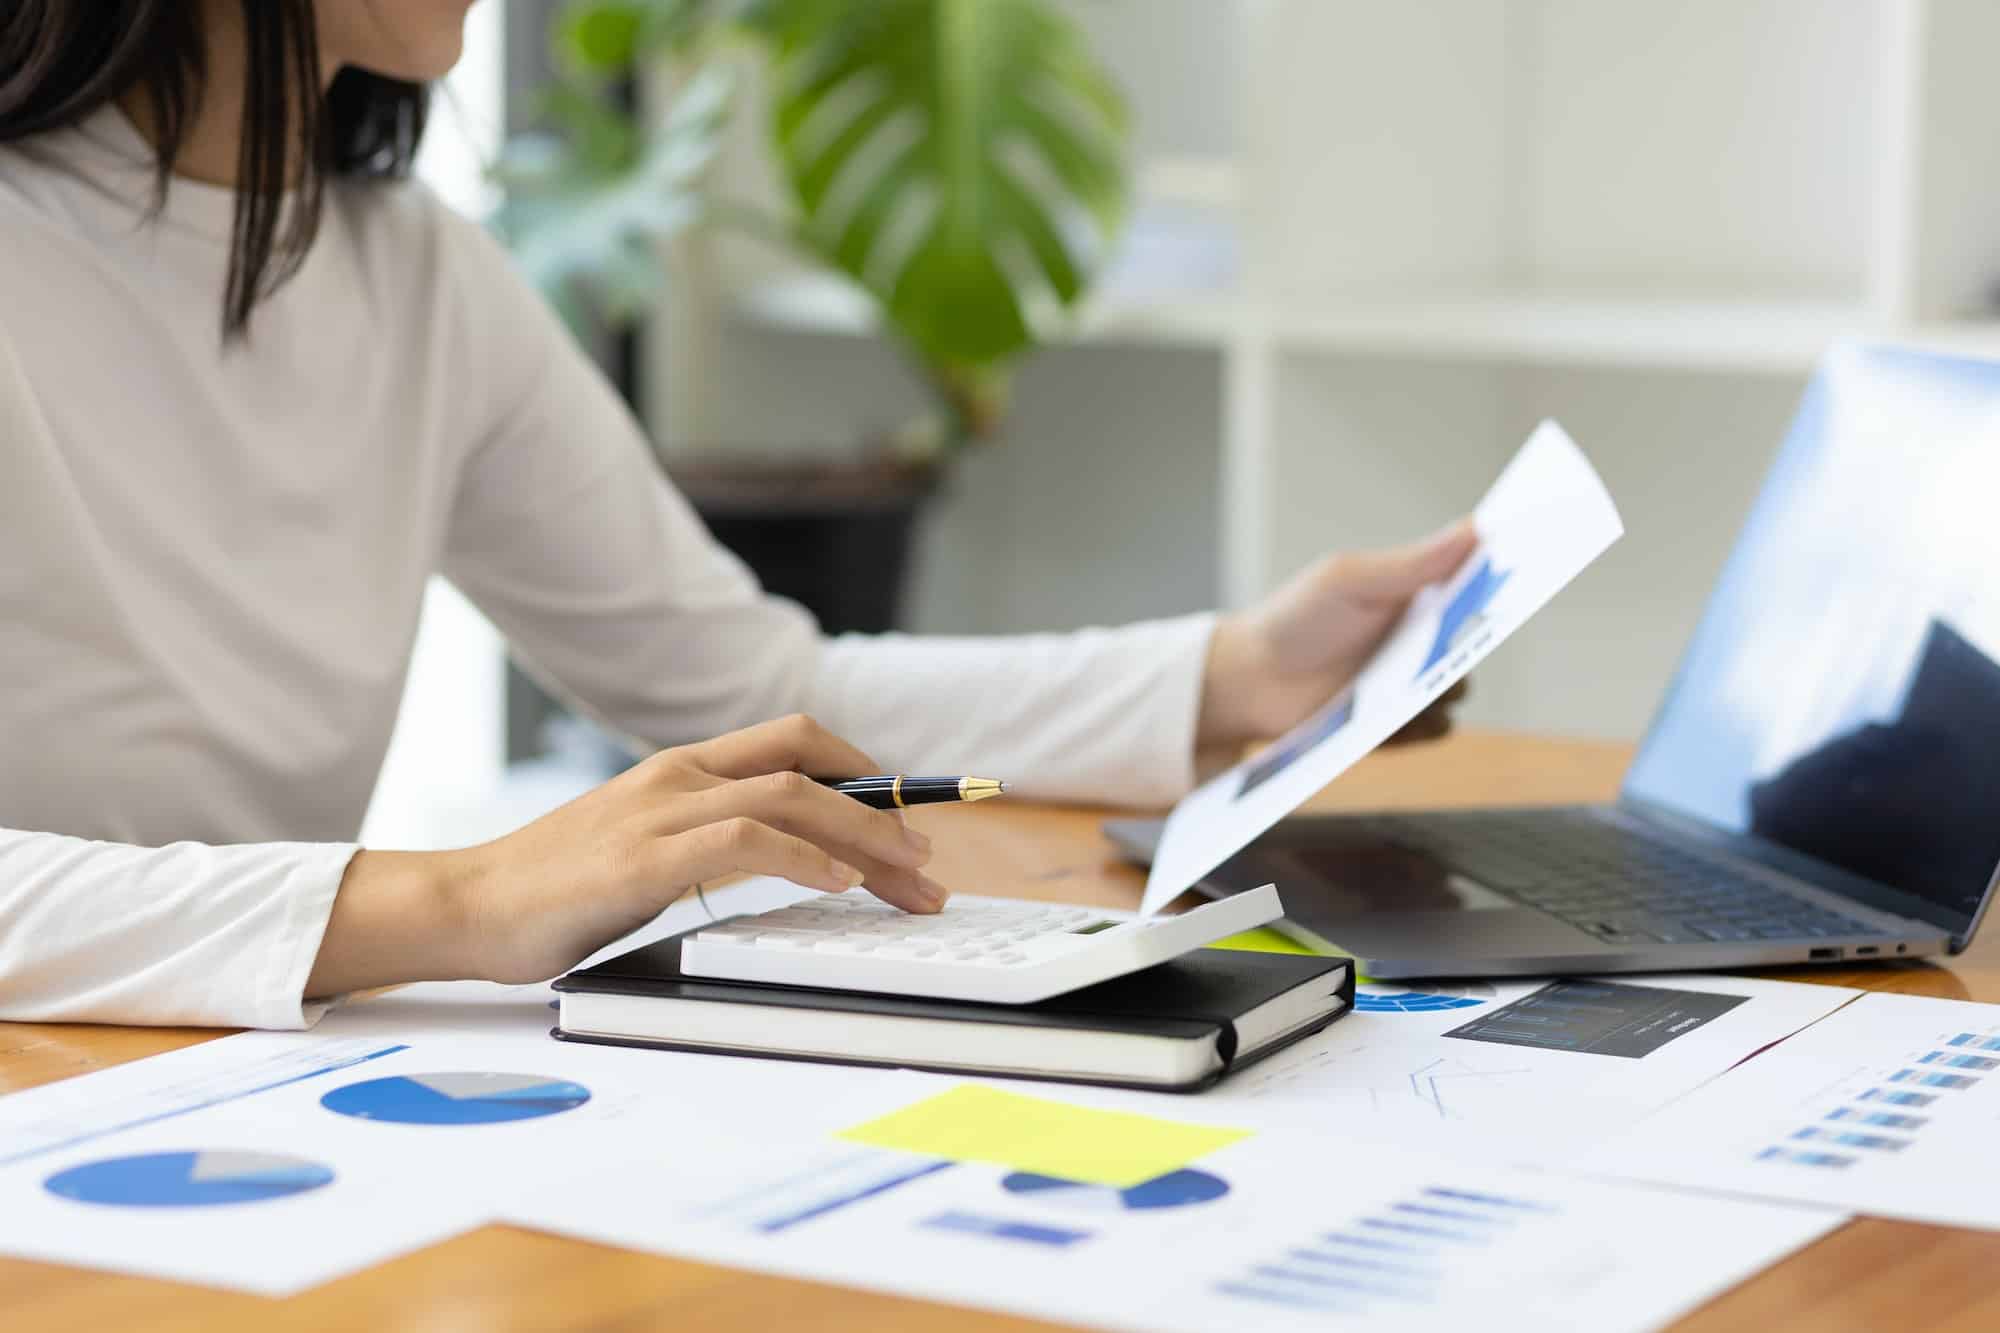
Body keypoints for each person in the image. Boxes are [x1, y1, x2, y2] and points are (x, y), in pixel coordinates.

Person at [0, 0, 1476, 1029]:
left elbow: (768, 697)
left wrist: (1229, 678)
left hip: (227, 1095)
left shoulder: (417, 276)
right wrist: (463, 898)